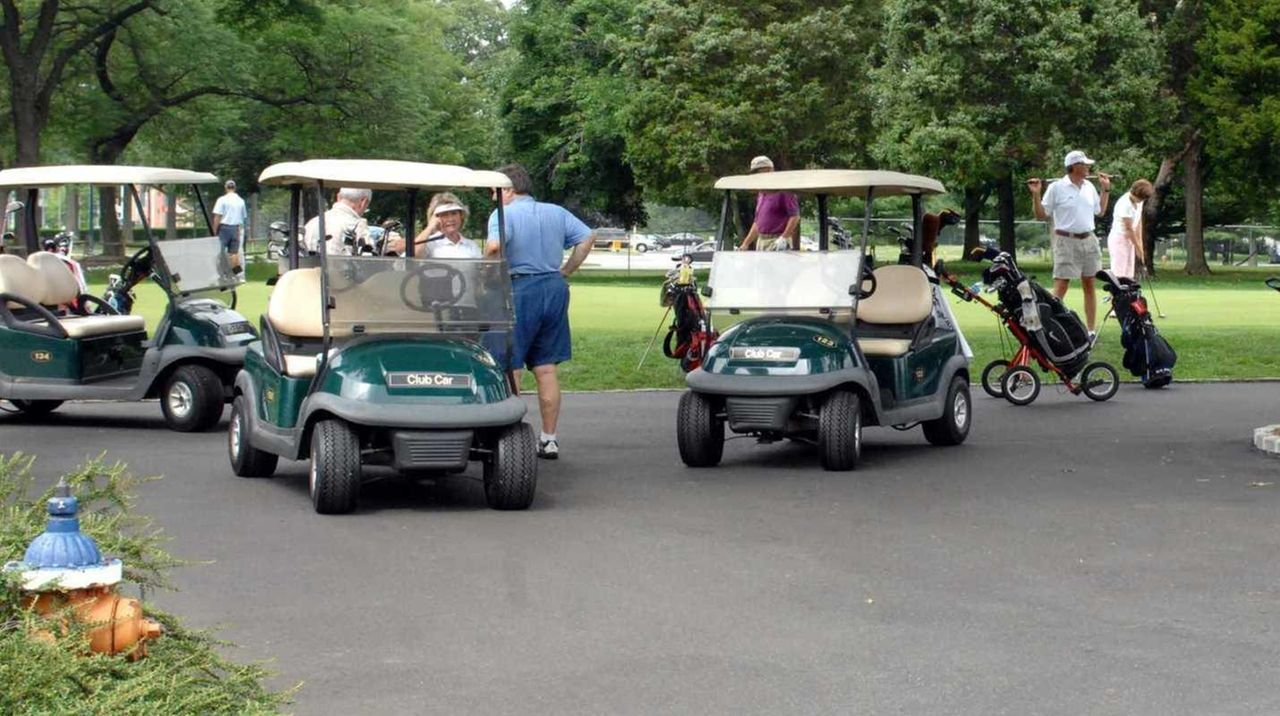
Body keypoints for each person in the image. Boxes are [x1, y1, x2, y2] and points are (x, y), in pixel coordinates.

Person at [485, 163, 594, 459]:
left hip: (520, 288)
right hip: (554, 287)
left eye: (494, 190)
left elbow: (495, 247)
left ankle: (510, 436)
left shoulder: (502, 213)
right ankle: (549, 438)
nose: (492, 196)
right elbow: (587, 237)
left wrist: (484, 269)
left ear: (507, 189)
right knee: (546, 368)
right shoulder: (556, 212)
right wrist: (567, 270)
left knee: (512, 366)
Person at [1027, 150, 1112, 340]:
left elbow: (1100, 211)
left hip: (1088, 240)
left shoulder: (1089, 186)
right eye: (1085, 164)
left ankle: (1090, 331)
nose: (1089, 167)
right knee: (1061, 285)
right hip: (1066, 240)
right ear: (1074, 166)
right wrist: (1036, 194)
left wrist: (1105, 190)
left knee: (1089, 284)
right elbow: (1041, 215)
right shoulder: (1057, 187)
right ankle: (1044, 327)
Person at [737, 155, 800, 251]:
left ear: (770, 170)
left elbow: (795, 216)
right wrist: (746, 243)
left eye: (759, 171)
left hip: (777, 240)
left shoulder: (783, 190)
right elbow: (758, 223)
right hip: (762, 241)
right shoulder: (761, 193)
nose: (757, 175)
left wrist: (784, 237)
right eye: (755, 172)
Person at [303, 187, 372, 255]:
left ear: (338, 197)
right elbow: (368, 260)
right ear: (363, 202)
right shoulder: (358, 226)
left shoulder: (311, 223)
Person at [1107, 179, 1154, 279]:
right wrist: (1137, 248)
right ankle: (1117, 294)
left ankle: (1128, 294)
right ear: (1135, 193)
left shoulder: (1139, 202)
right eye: (1140, 199)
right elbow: (1129, 230)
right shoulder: (1125, 204)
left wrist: (1140, 247)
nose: (1141, 201)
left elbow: (1138, 224)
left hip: (1130, 239)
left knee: (1129, 274)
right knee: (1119, 273)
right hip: (1119, 239)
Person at [413, 192, 480, 258]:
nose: (450, 219)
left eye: (454, 213)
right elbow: (412, 256)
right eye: (444, 214)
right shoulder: (429, 243)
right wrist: (430, 228)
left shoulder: (471, 245)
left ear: (461, 216)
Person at [211, 180, 247, 275]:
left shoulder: (222, 200)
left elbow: (217, 216)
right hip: (235, 229)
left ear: (226, 188)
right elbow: (242, 218)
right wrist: (239, 231)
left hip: (224, 229)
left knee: (219, 254)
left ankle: (221, 275)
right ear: (234, 188)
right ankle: (237, 275)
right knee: (234, 254)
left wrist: (214, 231)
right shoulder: (241, 201)